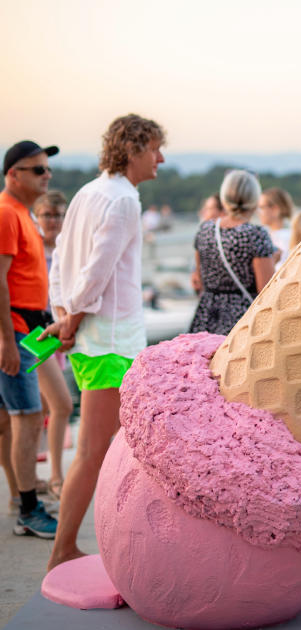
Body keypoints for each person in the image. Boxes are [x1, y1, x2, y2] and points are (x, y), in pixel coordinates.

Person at [44, 115, 163, 568]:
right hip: (110, 342)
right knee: (95, 451)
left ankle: (102, 543)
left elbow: (61, 266)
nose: (161, 158)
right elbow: (98, 270)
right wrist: (71, 319)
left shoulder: (87, 192)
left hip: (93, 338)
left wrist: (63, 314)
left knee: (105, 450)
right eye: (154, 148)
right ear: (133, 150)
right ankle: (63, 550)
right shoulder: (124, 200)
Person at [0, 140, 58, 538]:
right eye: (37, 169)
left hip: (31, 328)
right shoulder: (7, 213)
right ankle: (28, 508)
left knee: (12, 419)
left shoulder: (21, 214)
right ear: (13, 175)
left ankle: (20, 497)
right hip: (17, 330)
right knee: (27, 418)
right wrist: (6, 342)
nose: (46, 175)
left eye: (47, 168)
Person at [187, 170, 276, 336]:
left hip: (207, 314)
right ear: (254, 199)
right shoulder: (255, 234)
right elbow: (266, 291)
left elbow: (199, 278)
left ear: (224, 198)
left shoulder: (206, 229)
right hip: (241, 319)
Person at [33, 192, 73, 501]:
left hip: (56, 331)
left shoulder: (66, 249)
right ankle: (53, 477)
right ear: (37, 216)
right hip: (34, 334)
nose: (53, 221)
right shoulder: (31, 247)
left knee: (47, 407)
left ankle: (42, 476)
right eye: (47, 214)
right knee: (56, 406)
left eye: (59, 215)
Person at [258, 187, 294, 263]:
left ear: (275, 209)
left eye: (261, 207)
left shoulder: (285, 237)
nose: (258, 212)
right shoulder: (270, 234)